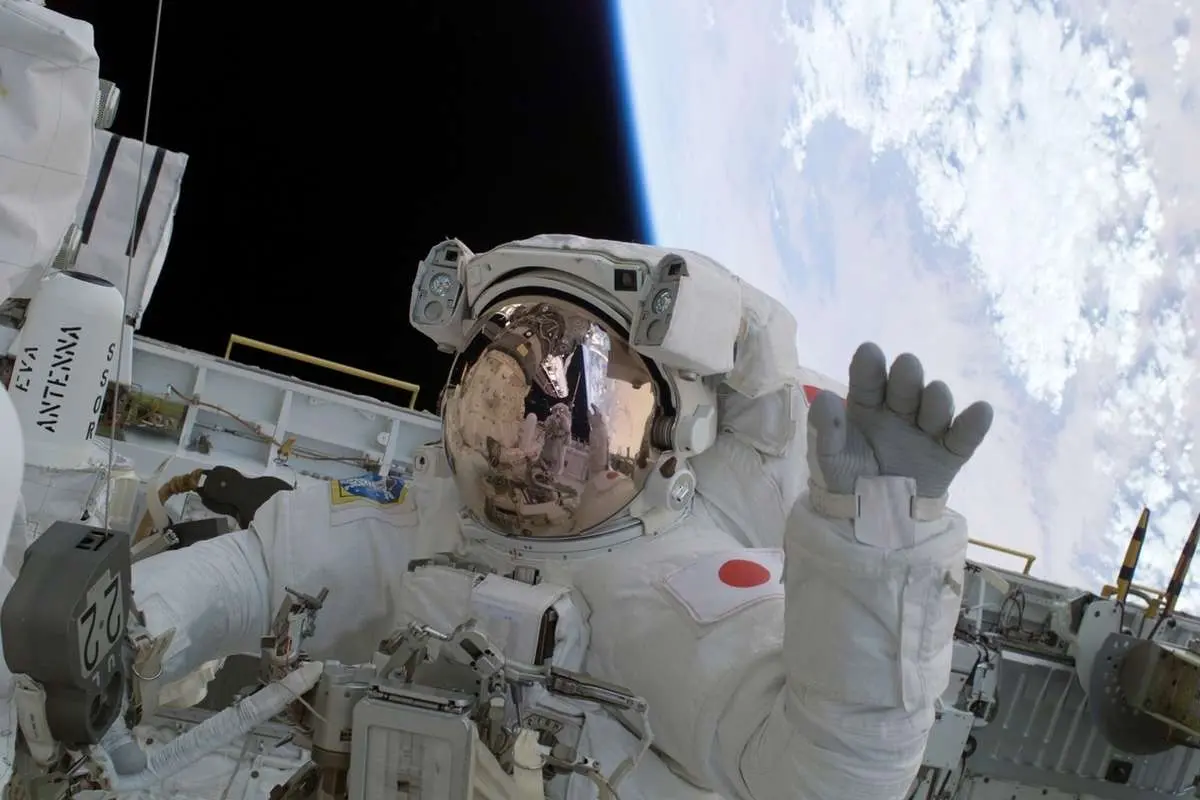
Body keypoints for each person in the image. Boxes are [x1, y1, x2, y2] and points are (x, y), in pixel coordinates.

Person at [126, 235, 993, 799]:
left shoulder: (671, 590)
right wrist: (130, 628)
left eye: (581, 420)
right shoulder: (429, 520)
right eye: (504, 399)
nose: (528, 445)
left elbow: (827, 777)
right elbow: (255, 573)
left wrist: (881, 547)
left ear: (667, 439)